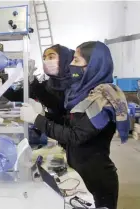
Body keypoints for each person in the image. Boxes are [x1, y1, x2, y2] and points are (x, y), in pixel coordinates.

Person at [20, 41, 130, 209]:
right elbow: (69, 123)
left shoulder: (104, 97)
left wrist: (38, 120)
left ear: (93, 65)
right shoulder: (84, 92)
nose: (71, 64)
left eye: (77, 60)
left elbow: (76, 135)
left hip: (97, 180)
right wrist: (44, 116)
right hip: (78, 170)